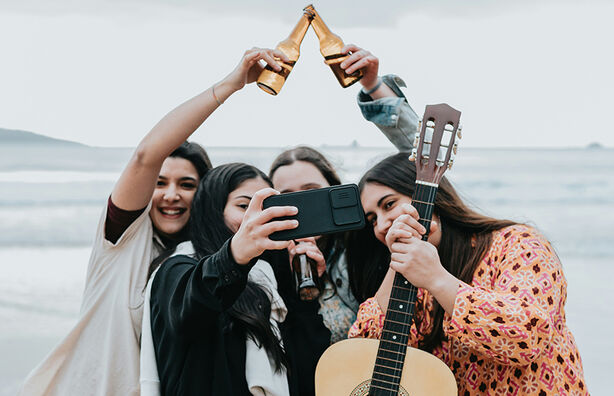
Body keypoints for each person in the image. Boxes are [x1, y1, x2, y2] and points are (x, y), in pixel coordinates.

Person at [20, 47, 289, 396]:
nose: (171, 195)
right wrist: (231, 84)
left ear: (205, 196)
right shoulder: (121, 242)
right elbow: (146, 156)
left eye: (187, 185)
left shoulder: (207, 263)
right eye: (160, 183)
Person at [347, 153, 588, 395]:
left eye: (389, 204)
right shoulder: (411, 281)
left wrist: (437, 279)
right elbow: (365, 358)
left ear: (426, 195)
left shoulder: (517, 243)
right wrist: (397, 264)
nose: (381, 225)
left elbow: (525, 335)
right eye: (372, 220)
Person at [268, 44, 419, 343]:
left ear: (333, 189)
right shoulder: (268, 262)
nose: (301, 208)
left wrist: (374, 86)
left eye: (311, 192)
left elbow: (424, 164)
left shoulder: (364, 236)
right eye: (288, 197)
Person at [148, 163, 330, 395]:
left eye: (266, 210)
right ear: (212, 209)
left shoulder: (268, 281)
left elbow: (311, 373)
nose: (256, 219)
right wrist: (235, 255)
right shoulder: (177, 268)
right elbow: (192, 307)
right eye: (244, 206)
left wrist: (304, 292)